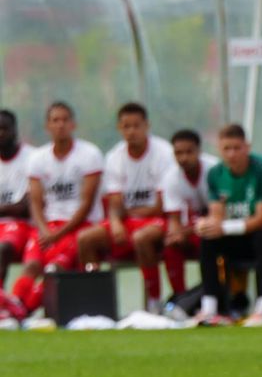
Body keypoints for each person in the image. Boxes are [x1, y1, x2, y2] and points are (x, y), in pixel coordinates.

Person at [2, 102, 103, 320]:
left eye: (65, 120)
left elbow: (86, 204)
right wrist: (44, 229)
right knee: (31, 266)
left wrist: (60, 233)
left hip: (78, 227)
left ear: (73, 124)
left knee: (54, 269)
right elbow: (36, 203)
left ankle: (20, 312)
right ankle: (16, 306)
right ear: (47, 126)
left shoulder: (89, 154)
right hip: (47, 227)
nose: (60, 125)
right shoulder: (38, 158)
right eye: (55, 120)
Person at [76, 103, 174, 312]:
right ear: (119, 128)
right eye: (126, 126)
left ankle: (154, 302)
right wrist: (115, 222)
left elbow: (160, 206)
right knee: (86, 239)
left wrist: (125, 215)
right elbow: (115, 202)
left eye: (136, 126)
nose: (131, 131)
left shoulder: (163, 152)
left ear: (147, 126)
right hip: (128, 220)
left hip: (158, 222)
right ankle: (94, 303)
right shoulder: (114, 157)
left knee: (142, 238)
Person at [193, 123, 262, 326]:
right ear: (220, 149)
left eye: (237, 148)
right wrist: (207, 224)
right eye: (227, 149)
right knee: (208, 238)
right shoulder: (216, 174)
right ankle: (209, 308)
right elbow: (217, 214)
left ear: (247, 147)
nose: (232, 154)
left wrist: (224, 227)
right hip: (240, 235)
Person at [158, 129, 219, 313]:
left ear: (199, 151)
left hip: (217, 230)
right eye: (178, 153)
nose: (183, 158)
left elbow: (218, 216)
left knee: (210, 241)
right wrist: (177, 235)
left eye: (188, 152)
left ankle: (222, 296)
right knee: (171, 245)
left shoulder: (214, 171)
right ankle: (181, 298)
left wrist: (186, 231)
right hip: (194, 230)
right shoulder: (171, 178)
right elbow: (174, 221)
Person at [0, 109, 33, 290]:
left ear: (15, 130)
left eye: (4, 128)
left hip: (21, 226)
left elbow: (25, 208)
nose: (0, 133)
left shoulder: (32, 157)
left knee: (1, 248)